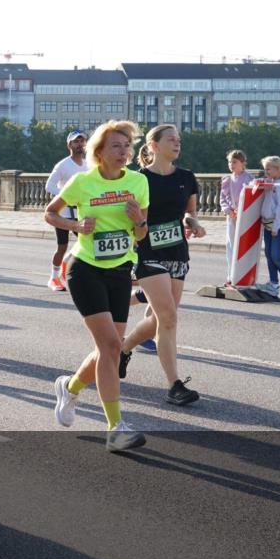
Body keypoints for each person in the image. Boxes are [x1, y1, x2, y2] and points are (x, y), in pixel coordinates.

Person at [45, 119, 150, 452]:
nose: (123, 152)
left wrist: (138, 221)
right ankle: (115, 426)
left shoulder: (138, 182)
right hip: (85, 270)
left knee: (112, 346)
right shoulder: (82, 182)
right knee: (109, 347)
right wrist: (76, 224)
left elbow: (141, 234)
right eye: (116, 146)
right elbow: (50, 213)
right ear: (100, 152)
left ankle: (70, 388)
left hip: (120, 270)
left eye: (127, 147)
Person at [117, 124, 203, 406]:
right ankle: (174, 385)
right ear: (153, 145)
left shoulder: (187, 178)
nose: (177, 144)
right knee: (168, 318)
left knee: (159, 318)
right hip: (148, 252)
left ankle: (123, 349)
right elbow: (127, 217)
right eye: (170, 139)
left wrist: (194, 223)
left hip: (177, 253)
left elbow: (188, 213)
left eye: (179, 140)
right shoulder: (137, 179)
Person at [44, 130, 89, 291]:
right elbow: (49, 186)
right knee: (62, 246)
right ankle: (54, 278)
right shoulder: (63, 165)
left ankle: (67, 263)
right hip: (63, 213)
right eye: (76, 142)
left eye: (82, 141)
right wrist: (66, 198)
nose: (79, 144)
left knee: (86, 242)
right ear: (69, 145)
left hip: (81, 211)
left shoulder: (88, 164)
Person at [256, 155, 280, 299]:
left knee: (276, 256)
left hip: (278, 225)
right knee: (269, 255)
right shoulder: (271, 181)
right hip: (267, 224)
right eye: (265, 169)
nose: (266, 171)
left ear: (278, 169)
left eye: (268, 169)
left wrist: (276, 227)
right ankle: (273, 284)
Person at [220, 149, 254, 285]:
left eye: (234, 162)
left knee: (243, 247)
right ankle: (230, 276)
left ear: (242, 163)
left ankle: (243, 276)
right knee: (231, 246)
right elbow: (223, 197)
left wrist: (242, 210)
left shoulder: (249, 179)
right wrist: (228, 210)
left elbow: (252, 197)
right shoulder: (227, 179)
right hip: (232, 216)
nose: (231, 165)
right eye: (229, 162)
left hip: (245, 217)